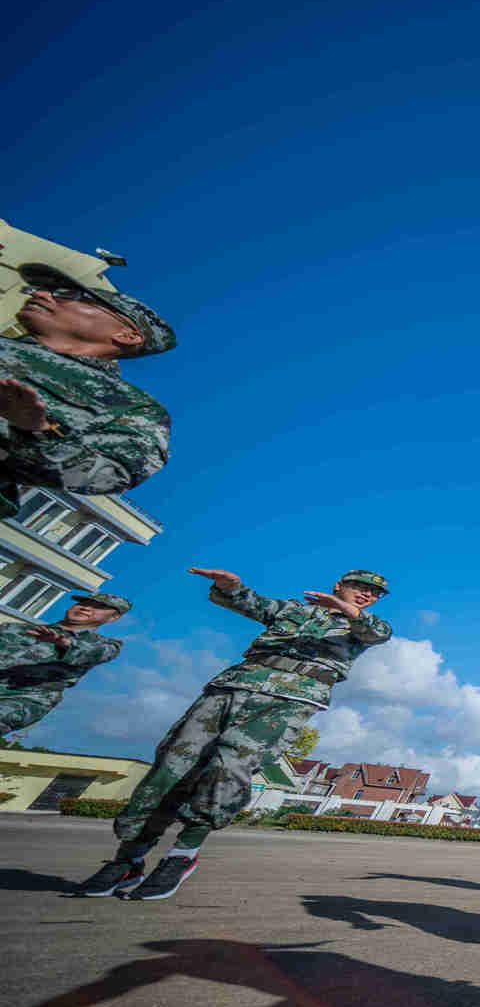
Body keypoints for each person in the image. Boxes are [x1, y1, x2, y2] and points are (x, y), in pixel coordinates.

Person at [74, 568, 391, 901]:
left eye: (374, 593)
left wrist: (346, 610)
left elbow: (377, 632)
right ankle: (129, 858)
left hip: (289, 700)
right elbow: (249, 603)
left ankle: (182, 854)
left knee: (228, 768)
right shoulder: (292, 611)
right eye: (360, 587)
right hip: (233, 687)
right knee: (171, 767)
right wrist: (231, 586)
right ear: (339, 584)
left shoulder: (363, 626)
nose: (368, 594)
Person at [2, 263, 174, 520]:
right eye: (40, 289)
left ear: (128, 335)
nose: (39, 294)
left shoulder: (130, 407)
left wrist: (35, 430)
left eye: (67, 296)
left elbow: (109, 473)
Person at [0, 593, 129, 738]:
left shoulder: (105, 644)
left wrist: (66, 643)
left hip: (24, 696)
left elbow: (95, 653)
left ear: (113, 617)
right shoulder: (13, 628)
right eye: (83, 603)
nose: (86, 608)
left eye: (99, 607)